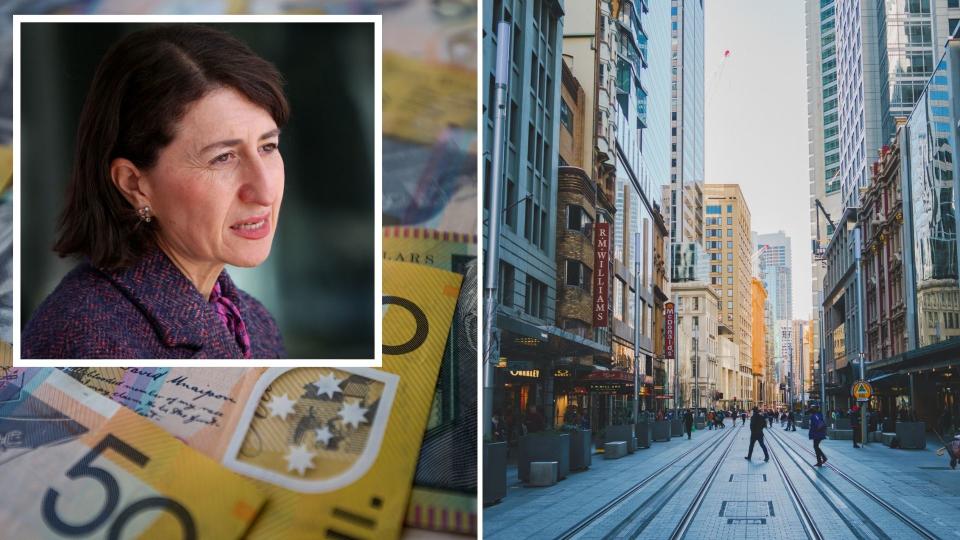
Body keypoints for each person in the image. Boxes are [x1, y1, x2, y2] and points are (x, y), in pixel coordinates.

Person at [22, 25, 288, 359]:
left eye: (268, 146)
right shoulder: (85, 336)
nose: (264, 191)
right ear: (134, 184)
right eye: (223, 158)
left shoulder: (255, 322)